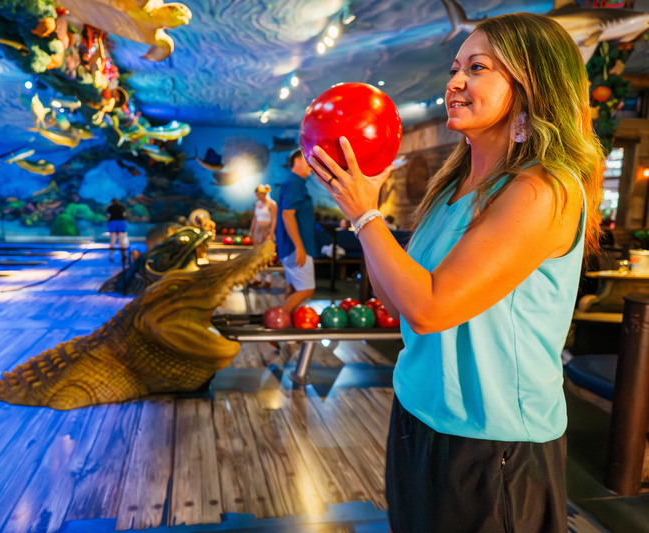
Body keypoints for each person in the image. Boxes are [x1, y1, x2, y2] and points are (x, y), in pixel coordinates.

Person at [309, 13, 602, 533]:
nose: (454, 82)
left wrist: (365, 214)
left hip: (494, 445)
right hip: (418, 418)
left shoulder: (544, 190)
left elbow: (429, 309)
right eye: (455, 67)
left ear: (531, 84)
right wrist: (366, 216)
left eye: (478, 67)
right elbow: (394, 296)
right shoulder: (452, 187)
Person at [277, 149, 317, 314]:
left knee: (294, 288)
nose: (312, 166)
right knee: (306, 289)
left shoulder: (296, 183)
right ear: (297, 161)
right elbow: (287, 215)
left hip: (292, 247)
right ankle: (276, 325)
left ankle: (286, 330)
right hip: (297, 248)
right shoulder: (295, 183)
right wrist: (299, 247)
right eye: (308, 160)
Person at [249, 184, 277, 289]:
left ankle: (268, 280)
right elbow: (254, 218)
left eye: (258, 194)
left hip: (267, 230)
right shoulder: (257, 204)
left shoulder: (272, 204)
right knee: (257, 255)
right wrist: (251, 231)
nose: (257, 196)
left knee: (267, 256)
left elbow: (274, 219)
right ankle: (258, 278)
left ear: (263, 193)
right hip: (257, 230)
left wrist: (270, 233)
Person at [106, 198, 128, 263]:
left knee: (112, 240)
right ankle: (124, 257)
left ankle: (111, 257)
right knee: (121, 241)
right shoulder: (122, 207)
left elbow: (108, 215)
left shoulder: (110, 207)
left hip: (112, 222)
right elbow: (124, 215)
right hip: (121, 222)